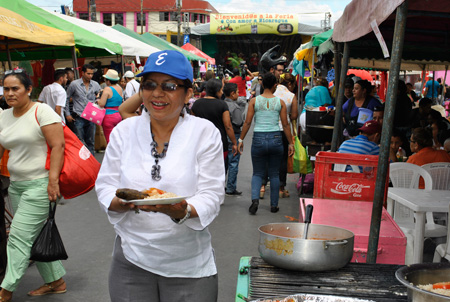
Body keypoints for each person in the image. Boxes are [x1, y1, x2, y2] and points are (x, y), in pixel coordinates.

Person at [96, 50, 224, 302]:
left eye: (170, 86)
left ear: (188, 93)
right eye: (150, 84)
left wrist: (182, 211)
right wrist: (121, 202)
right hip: (131, 259)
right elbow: (105, 185)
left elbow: (211, 193)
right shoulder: (125, 131)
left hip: (188, 262)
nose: (157, 93)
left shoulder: (204, 133)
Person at [0, 70, 66, 301]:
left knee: (18, 237)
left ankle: (5, 290)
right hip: (16, 185)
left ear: (29, 89)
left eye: (15, 88)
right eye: (6, 89)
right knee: (35, 235)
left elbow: (58, 146)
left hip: (41, 184)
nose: (9, 93)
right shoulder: (4, 116)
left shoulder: (42, 111)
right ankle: (56, 281)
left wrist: (53, 181)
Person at [238, 72, 294, 215]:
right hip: (276, 138)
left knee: (257, 173)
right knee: (274, 174)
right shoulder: (280, 103)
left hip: (258, 139)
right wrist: (290, 143)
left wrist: (240, 139)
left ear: (262, 84)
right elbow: (286, 125)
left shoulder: (254, 101)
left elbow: (248, 122)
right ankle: (274, 205)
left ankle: (255, 200)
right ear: (275, 85)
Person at [191, 79, 238, 165]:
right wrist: (234, 142)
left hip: (201, 142)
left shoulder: (196, 104)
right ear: (217, 90)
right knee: (219, 170)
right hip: (219, 143)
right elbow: (228, 126)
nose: (222, 92)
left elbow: (192, 124)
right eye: (221, 90)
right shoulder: (222, 105)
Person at [65, 64, 101, 155]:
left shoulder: (95, 84)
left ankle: (92, 164)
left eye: (92, 74)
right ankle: (83, 164)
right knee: (80, 142)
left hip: (91, 117)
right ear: (83, 73)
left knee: (91, 142)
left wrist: (98, 100)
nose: (90, 76)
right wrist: (67, 114)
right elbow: (66, 98)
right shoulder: (74, 84)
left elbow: (100, 97)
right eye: (88, 73)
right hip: (78, 116)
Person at [275, 73, 298, 198]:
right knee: (283, 159)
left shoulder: (272, 92)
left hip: (269, 129)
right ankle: (281, 188)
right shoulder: (291, 96)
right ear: (290, 84)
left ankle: (263, 185)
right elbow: (294, 116)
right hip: (284, 131)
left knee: (269, 158)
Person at [223, 83, 246, 196]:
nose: (238, 94)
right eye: (237, 92)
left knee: (223, 163)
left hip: (222, 136)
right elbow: (238, 122)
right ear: (232, 94)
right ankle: (231, 187)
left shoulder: (221, 104)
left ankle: (221, 185)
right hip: (233, 135)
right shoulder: (235, 108)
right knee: (233, 162)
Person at [97, 69, 123, 143]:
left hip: (108, 116)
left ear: (108, 81)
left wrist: (98, 99)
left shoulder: (107, 89)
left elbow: (102, 104)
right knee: (118, 138)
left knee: (110, 140)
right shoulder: (120, 88)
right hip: (118, 115)